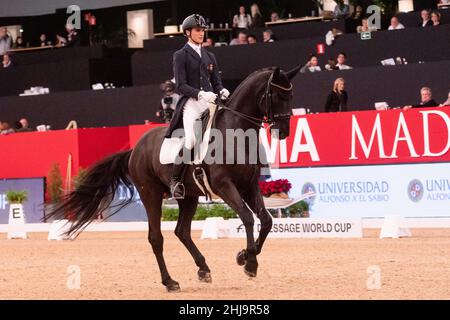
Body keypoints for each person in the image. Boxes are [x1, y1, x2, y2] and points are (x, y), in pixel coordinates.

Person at [165, 14, 230, 199]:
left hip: (210, 102)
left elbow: (216, 82)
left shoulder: (210, 56)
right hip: (192, 104)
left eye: (203, 30)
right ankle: (175, 180)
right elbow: (180, 85)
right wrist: (200, 93)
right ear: (188, 32)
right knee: (192, 139)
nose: (201, 33)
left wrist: (222, 90)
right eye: (198, 30)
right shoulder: (180, 55)